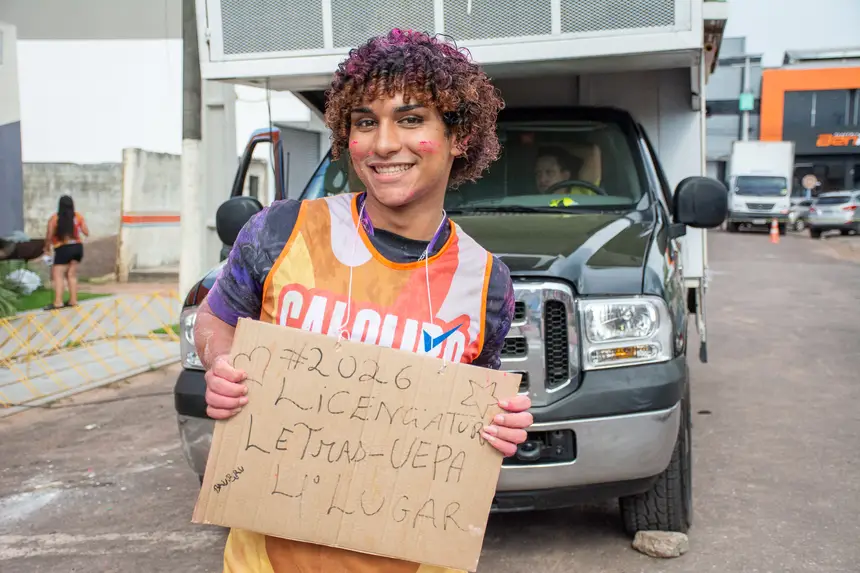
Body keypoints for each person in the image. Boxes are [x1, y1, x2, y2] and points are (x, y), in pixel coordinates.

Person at [195, 29, 533, 573]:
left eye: (411, 119)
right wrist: (222, 363)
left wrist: (502, 426)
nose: (383, 144)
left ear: (460, 136)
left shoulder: (487, 281)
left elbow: (477, 412)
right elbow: (215, 319)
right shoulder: (280, 231)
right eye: (365, 122)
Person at [42, 195, 88, 310]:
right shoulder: (78, 217)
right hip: (77, 247)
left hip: (63, 248)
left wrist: (47, 248)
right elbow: (86, 232)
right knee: (71, 275)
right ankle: (73, 300)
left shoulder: (55, 218)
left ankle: (58, 302)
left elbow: (49, 235)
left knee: (58, 275)